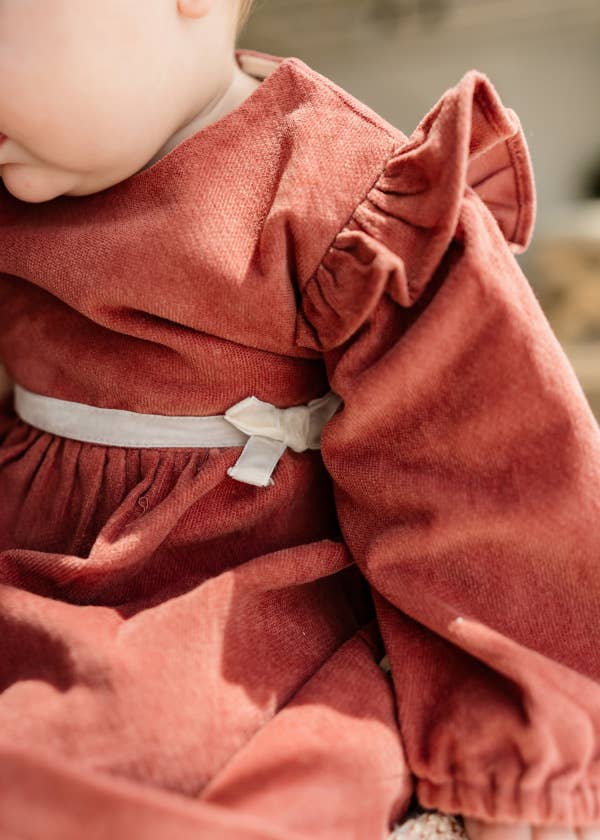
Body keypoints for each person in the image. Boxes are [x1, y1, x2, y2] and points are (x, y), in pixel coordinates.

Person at [0, 1, 599, 838]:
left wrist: (514, 756)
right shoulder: (28, 171)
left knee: (146, 752)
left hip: (215, 598)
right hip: (31, 548)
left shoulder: (338, 198)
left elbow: (498, 488)